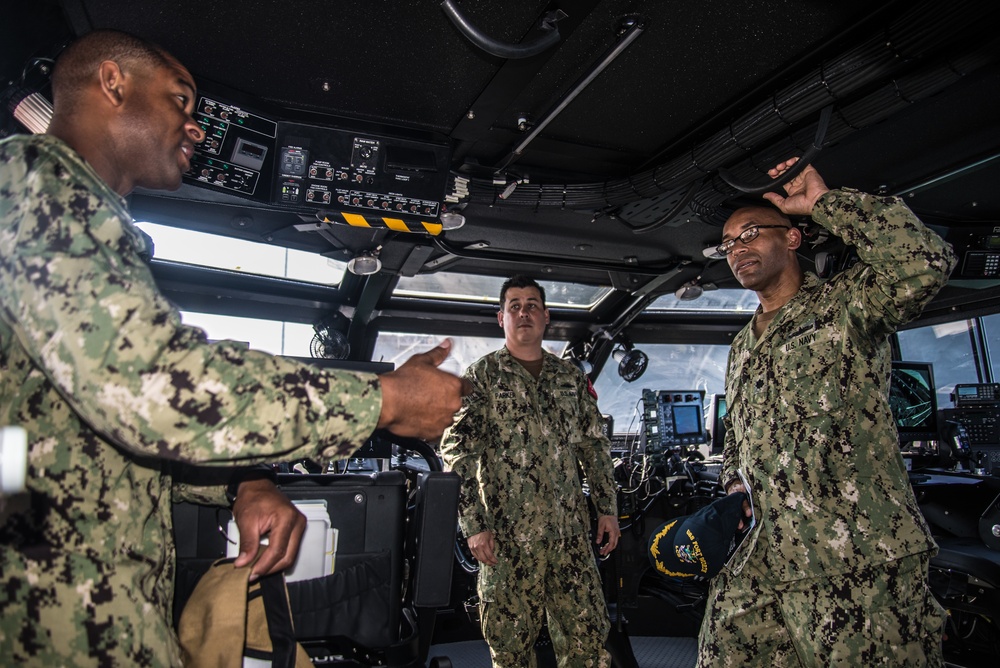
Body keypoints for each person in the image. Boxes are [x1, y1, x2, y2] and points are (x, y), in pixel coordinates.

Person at [0, 29, 466, 666]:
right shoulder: (33, 183)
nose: (196, 130)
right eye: (182, 103)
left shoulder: (63, 215)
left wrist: (243, 484)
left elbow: (83, 441)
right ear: (113, 83)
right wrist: (381, 401)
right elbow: (152, 386)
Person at [699, 157, 956, 666]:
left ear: (793, 238)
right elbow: (741, 436)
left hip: (855, 558)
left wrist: (823, 204)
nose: (738, 249)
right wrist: (733, 487)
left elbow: (924, 262)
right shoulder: (741, 344)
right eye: (728, 243)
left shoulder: (847, 307)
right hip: (763, 551)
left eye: (750, 232)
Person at [439, 275, 620, 668]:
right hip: (505, 542)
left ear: (546, 316)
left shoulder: (570, 379)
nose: (524, 312)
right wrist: (473, 524)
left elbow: (593, 445)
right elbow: (455, 452)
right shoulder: (481, 378)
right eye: (515, 305)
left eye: (533, 304)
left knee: (588, 646)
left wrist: (607, 508)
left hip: (569, 538)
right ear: (500, 317)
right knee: (510, 652)